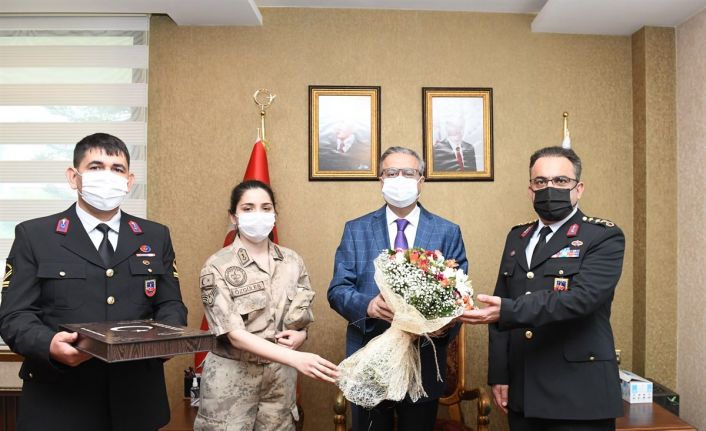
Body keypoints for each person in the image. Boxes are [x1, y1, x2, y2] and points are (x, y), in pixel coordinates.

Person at [0, 133, 187, 431]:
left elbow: (171, 304)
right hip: (58, 405)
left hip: (136, 402)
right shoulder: (35, 235)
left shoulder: (155, 236)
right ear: (74, 177)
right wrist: (49, 344)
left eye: (117, 169)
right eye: (96, 167)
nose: (107, 176)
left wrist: (168, 338)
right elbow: (14, 315)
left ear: (129, 181)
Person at [461, 146, 625, 431]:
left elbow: (582, 299)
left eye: (560, 181)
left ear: (579, 189)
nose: (550, 188)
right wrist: (500, 376)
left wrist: (510, 310)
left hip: (579, 393)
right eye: (541, 181)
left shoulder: (603, 236)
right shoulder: (518, 237)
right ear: (531, 190)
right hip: (524, 391)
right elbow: (500, 308)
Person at [328, 146, 468, 431]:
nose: (399, 179)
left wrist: (440, 326)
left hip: (423, 358)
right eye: (391, 173)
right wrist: (367, 306)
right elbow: (338, 289)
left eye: (408, 173)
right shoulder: (356, 229)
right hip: (370, 358)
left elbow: (460, 296)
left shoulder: (447, 231)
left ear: (421, 180)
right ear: (381, 179)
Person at [194, 180, 339, 431]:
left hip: (279, 383)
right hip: (231, 382)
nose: (258, 214)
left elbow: (300, 316)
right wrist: (296, 358)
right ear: (233, 216)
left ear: (274, 215)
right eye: (248, 208)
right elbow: (234, 335)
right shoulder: (217, 266)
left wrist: (301, 335)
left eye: (266, 208)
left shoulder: (292, 261)